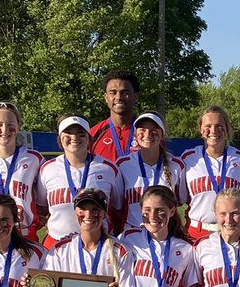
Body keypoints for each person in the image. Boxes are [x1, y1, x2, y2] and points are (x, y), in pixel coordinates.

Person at [40, 115, 123, 244]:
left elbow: (118, 208)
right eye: (68, 133)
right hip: (56, 244)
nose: (74, 138)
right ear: (60, 138)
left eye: (81, 133)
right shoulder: (47, 169)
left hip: (98, 244)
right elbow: (42, 207)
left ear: (89, 138)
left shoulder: (108, 168)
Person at [179, 106, 240, 242]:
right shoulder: (187, 158)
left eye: (219, 125)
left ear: (227, 128)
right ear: (200, 129)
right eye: (208, 126)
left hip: (231, 232)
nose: (213, 130)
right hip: (196, 232)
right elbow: (180, 198)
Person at [0, 101, 44, 242]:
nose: (5, 129)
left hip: (24, 234)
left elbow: (46, 197)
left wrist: (42, 217)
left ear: (18, 126)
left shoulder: (33, 158)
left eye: (10, 124)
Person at [116, 111, 185, 231]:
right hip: (133, 235)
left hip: (165, 233)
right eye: (142, 130)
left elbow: (180, 201)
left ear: (162, 134)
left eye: (154, 130)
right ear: (136, 134)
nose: (147, 134)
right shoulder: (122, 165)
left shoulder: (176, 165)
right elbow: (117, 203)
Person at [90, 70, 139, 162]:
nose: (119, 97)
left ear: (135, 96)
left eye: (125, 93)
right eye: (113, 92)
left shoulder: (146, 133)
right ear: (106, 97)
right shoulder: (94, 134)